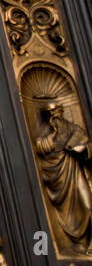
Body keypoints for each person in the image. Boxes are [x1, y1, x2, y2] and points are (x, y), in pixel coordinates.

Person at [34, 102, 92, 253]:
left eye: (56, 113)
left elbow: (86, 145)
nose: (54, 117)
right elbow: (41, 146)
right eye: (51, 115)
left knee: (87, 204)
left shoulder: (74, 130)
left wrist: (83, 149)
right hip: (60, 176)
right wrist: (54, 138)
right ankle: (80, 241)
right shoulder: (50, 135)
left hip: (76, 171)